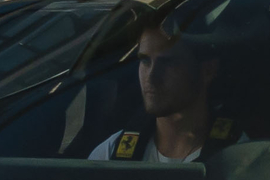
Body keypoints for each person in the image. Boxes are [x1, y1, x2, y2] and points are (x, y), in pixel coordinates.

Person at [89, 18, 231, 162]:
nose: (151, 77)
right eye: (145, 61)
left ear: (208, 70)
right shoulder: (109, 155)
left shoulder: (237, 161)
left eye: (167, 62)